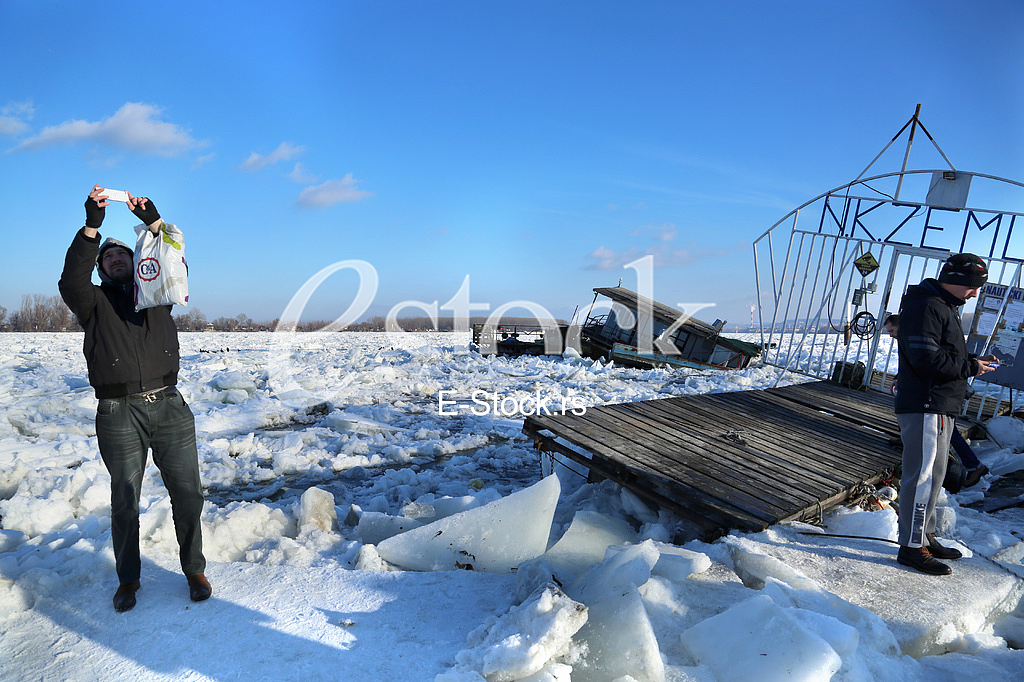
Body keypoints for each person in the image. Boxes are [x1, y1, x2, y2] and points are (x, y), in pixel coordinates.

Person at [58, 185, 211, 612]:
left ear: (137, 261)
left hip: (169, 406)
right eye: (109, 257)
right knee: (124, 498)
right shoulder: (93, 303)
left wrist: (154, 223)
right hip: (118, 412)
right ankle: (128, 579)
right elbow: (71, 279)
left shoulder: (158, 291)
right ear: (102, 269)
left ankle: (194, 569)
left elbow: (174, 264)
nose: (116, 259)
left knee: (188, 494)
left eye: (123, 254)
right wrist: (93, 228)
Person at [893, 253, 998, 575]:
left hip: (939, 403)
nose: (975, 294)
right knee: (921, 479)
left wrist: (973, 360)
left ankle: (925, 536)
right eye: (974, 287)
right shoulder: (927, 307)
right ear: (961, 281)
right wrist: (970, 367)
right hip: (926, 403)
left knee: (935, 478)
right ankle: (911, 547)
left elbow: (942, 353)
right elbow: (925, 358)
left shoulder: (941, 306)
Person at [884, 314, 989, 488]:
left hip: (938, 393)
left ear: (901, 326)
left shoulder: (918, 336)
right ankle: (973, 464)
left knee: (948, 431)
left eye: (892, 330)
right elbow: (913, 363)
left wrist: (974, 363)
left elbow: (935, 360)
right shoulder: (910, 337)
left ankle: (974, 465)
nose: (891, 335)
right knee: (937, 426)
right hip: (933, 392)